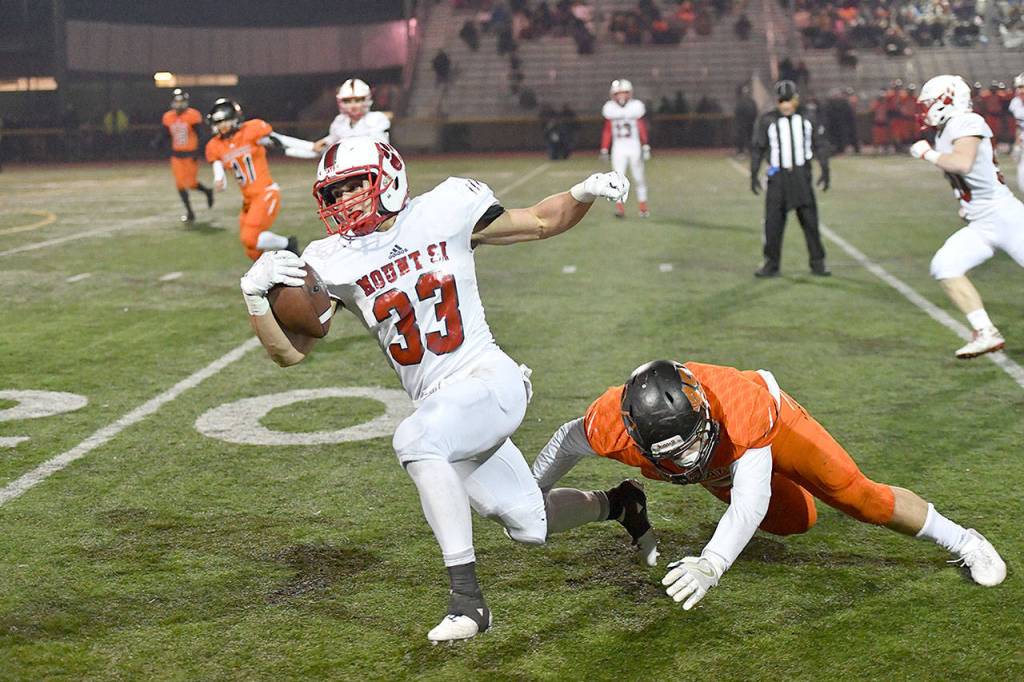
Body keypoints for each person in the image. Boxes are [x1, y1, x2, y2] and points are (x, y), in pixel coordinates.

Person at [237, 137, 632, 642]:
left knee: (416, 440)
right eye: (332, 194)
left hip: (488, 378)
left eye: (352, 186)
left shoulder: (446, 207)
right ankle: (621, 504)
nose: (342, 202)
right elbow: (288, 353)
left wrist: (582, 191)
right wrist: (255, 298)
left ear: (390, 177)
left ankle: (468, 601)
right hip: (442, 407)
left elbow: (539, 220)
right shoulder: (329, 259)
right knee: (529, 524)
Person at [532, 359, 1007, 611]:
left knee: (860, 498)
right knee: (797, 521)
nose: (687, 460)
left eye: (691, 442)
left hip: (774, 430)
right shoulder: (607, 424)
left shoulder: (740, 407)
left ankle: (964, 540)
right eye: (672, 455)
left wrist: (711, 564)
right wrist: (536, 489)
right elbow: (564, 442)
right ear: (634, 434)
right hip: (732, 455)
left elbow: (749, 501)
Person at [909, 74, 1024, 359]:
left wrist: (928, 155)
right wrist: (967, 205)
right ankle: (985, 331)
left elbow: (961, 162)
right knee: (945, 266)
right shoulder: (947, 129)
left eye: (930, 103)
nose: (925, 109)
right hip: (982, 221)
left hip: (1004, 216)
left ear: (947, 100)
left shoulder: (966, 121)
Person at [750, 80, 831, 277]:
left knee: (810, 221)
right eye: (781, 101)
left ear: (796, 99)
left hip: (801, 175)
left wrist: (825, 169)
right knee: (773, 223)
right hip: (777, 176)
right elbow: (758, 149)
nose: (785, 105)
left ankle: (818, 262)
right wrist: (753, 174)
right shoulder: (768, 120)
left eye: (789, 100)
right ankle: (771, 263)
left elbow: (820, 144)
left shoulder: (808, 117)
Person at [204, 98, 296, 260]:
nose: (222, 126)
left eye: (226, 120)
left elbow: (279, 140)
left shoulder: (250, 131)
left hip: (265, 192)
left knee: (250, 237)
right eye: (218, 122)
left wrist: (309, 147)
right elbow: (218, 166)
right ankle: (268, 275)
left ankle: (288, 244)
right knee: (251, 250)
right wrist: (219, 180)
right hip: (248, 199)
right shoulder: (215, 145)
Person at [161, 89, 214, 223]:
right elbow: (165, 134)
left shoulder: (193, 115)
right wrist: (157, 142)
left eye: (181, 101)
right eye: (177, 101)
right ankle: (190, 212)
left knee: (191, 184)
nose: (179, 104)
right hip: (176, 155)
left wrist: (198, 151)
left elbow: (201, 134)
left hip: (190, 154)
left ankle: (207, 191)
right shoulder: (168, 117)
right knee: (180, 184)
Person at [600, 79, 651, 218]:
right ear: (613, 95)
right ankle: (620, 208)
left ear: (630, 94)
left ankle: (643, 207)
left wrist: (645, 145)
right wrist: (604, 148)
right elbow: (608, 130)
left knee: (638, 177)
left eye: (624, 93)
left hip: (634, 146)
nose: (621, 96)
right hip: (618, 148)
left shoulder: (636, 107)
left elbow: (641, 127)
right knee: (618, 179)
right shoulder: (610, 108)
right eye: (618, 93)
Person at [312, 79, 391, 153]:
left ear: (366, 99)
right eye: (347, 101)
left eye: (358, 100)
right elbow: (333, 139)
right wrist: (325, 142)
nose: (353, 105)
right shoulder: (339, 121)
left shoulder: (377, 118)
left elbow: (381, 146)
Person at [1008, 72, 1024, 194]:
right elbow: (1019, 126)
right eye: (1019, 87)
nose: (1020, 90)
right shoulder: (1016, 103)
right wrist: (1017, 144)